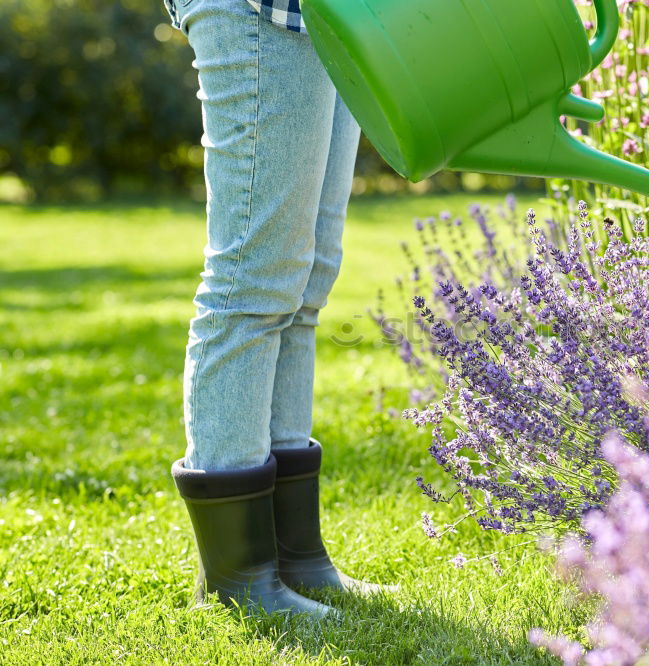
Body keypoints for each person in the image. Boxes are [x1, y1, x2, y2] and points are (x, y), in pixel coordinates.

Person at [162, 0, 391, 617]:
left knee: (306, 279)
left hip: (331, 17)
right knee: (252, 282)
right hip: (259, 9)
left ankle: (297, 558)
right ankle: (240, 576)